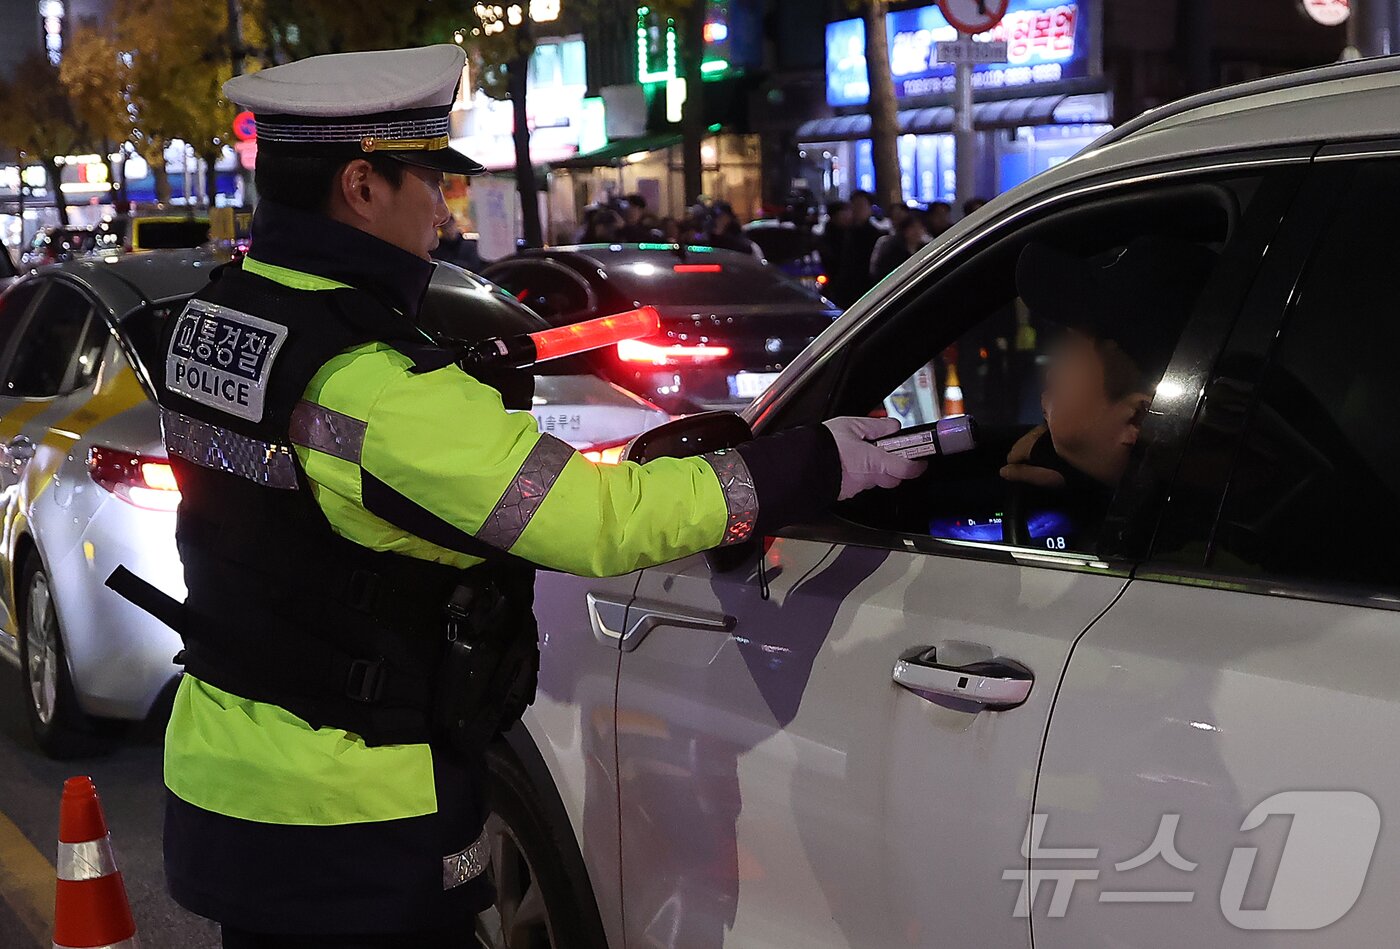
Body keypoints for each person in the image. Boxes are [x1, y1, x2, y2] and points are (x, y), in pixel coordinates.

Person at [110, 44, 924, 948]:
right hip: (351, 809)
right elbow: (600, 520)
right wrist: (813, 465)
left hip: (228, 780)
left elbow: (299, 508)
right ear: (360, 185)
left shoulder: (220, 318)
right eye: (430, 177)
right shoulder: (378, 385)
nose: (446, 203)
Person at [999, 236, 1217, 529]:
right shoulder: (1208, 505)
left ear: (1139, 418)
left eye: (1073, 348)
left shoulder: (1176, 547)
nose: (1052, 371)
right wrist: (1103, 478)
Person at [827, 190, 884, 308]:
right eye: (854, 205)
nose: (857, 210)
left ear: (870, 208)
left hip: (867, 291)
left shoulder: (876, 236)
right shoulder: (842, 233)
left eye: (861, 205)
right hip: (845, 292)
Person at [869, 212, 931, 281]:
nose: (917, 231)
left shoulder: (925, 250)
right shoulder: (892, 250)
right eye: (913, 227)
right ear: (905, 230)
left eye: (920, 227)